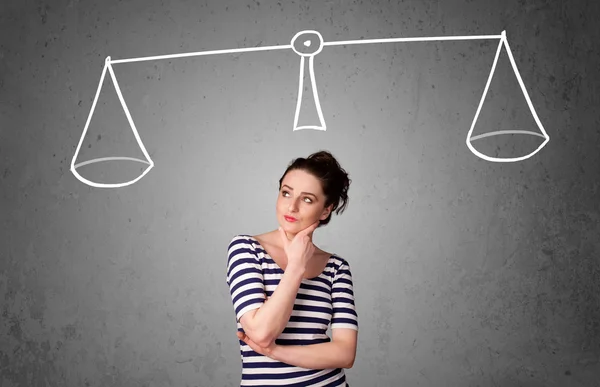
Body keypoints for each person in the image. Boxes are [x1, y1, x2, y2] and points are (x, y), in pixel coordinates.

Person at [226, 150, 358, 386]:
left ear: (326, 210)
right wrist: (296, 266)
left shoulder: (336, 268)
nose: (292, 206)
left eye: (307, 199)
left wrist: (275, 352)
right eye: (286, 193)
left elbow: (345, 354)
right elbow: (261, 333)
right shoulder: (246, 249)